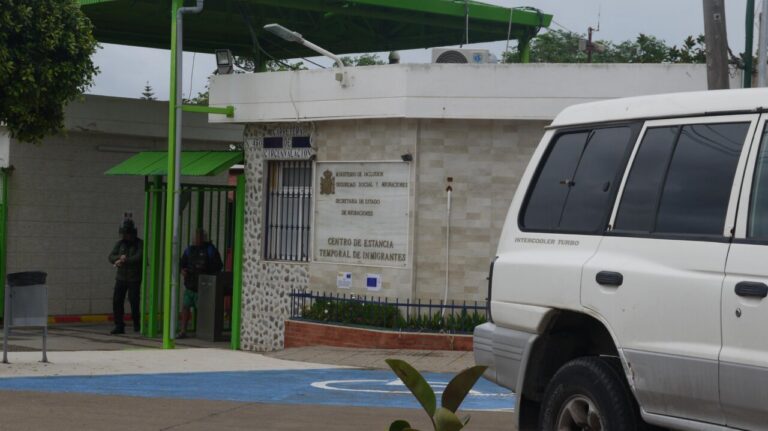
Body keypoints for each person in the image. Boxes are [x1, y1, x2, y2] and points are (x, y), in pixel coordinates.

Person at [178, 229, 223, 338]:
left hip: (204, 287)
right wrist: (182, 270)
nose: (197, 239)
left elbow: (218, 265)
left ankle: (203, 331)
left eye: (199, 237)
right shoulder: (189, 250)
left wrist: (209, 276)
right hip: (190, 285)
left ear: (204, 238)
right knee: (185, 307)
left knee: (203, 310)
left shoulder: (210, 249)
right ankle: (183, 331)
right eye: (196, 236)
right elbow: (181, 263)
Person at [108, 217, 143, 335]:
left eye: (125, 233)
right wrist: (118, 258)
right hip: (121, 278)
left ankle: (137, 323)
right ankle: (119, 325)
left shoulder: (139, 243)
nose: (124, 236)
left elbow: (138, 257)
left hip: (134, 278)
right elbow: (111, 256)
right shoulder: (120, 244)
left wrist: (124, 260)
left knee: (134, 301)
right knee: (117, 301)